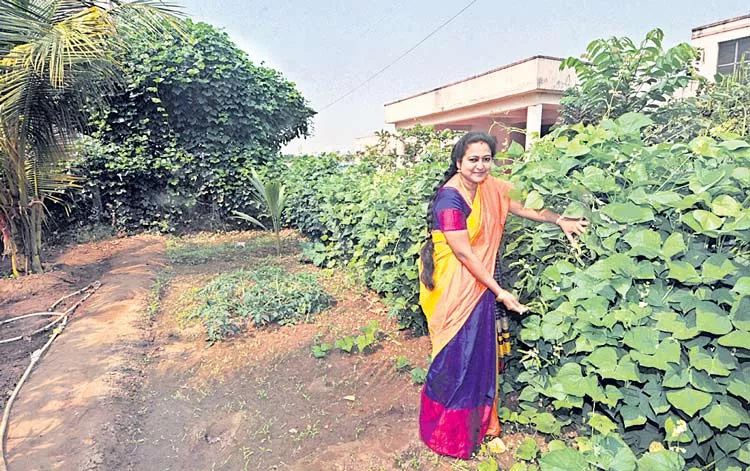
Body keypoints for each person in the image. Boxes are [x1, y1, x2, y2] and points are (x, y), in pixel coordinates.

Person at [418, 131, 588, 459]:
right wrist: (501, 293)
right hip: (453, 288)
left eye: (486, 159)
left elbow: (523, 207)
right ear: (458, 162)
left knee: (481, 357)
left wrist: (560, 220)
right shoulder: (450, 199)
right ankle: (446, 431)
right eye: (473, 160)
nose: (480, 166)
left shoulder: (491, 188)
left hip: (479, 284)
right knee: (455, 357)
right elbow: (465, 255)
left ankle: (483, 425)